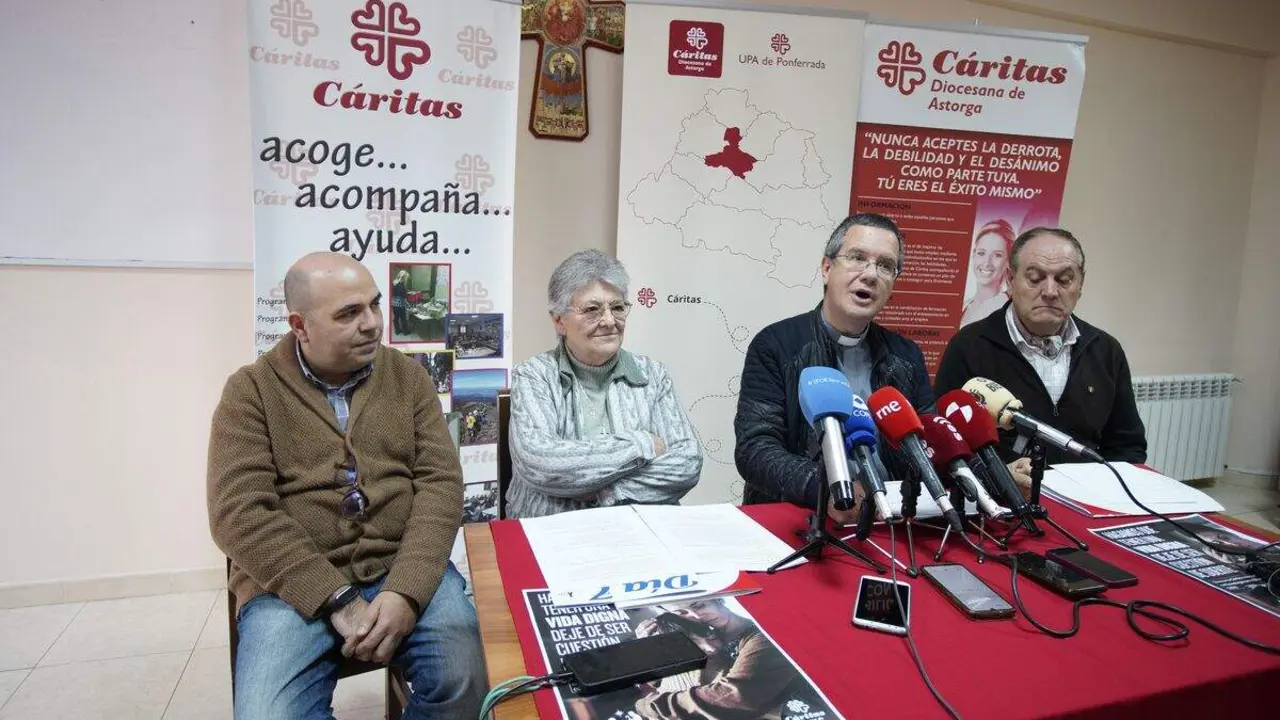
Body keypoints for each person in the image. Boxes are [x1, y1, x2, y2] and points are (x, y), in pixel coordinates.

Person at [207, 252, 485, 719]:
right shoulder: (250, 391)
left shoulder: (409, 378)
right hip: (291, 588)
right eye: (349, 313)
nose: (373, 324)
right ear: (300, 325)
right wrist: (335, 598)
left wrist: (408, 589)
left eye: (374, 305)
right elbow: (238, 513)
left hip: (402, 567)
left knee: (468, 680)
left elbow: (440, 484)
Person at [734, 213, 1032, 522]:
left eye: (885, 266)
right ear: (826, 268)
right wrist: (826, 488)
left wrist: (992, 473)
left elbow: (934, 440)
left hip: (891, 516)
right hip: (804, 515)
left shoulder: (904, 355)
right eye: (857, 258)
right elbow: (755, 449)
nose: (870, 275)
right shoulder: (776, 345)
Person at [507, 249, 702, 518]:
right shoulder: (534, 375)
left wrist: (602, 491)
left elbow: (687, 463)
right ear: (559, 320)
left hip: (639, 525)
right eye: (592, 309)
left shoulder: (653, 375)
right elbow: (539, 464)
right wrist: (640, 445)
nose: (609, 321)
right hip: (552, 530)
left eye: (618, 307)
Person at [934, 227, 1147, 467]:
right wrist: (998, 476)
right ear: (1011, 280)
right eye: (1035, 279)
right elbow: (944, 441)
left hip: (1085, 496)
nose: (1050, 292)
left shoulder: (1105, 350)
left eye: (1064, 280)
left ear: (1081, 284)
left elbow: (1128, 445)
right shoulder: (970, 346)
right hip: (1003, 497)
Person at [629, 599, 821, 719]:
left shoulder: (765, 636)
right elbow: (665, 678)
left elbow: (735, 696)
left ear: (719, 598)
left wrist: (650, 705)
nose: (696, 615)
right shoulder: (707, 636)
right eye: (682, 612)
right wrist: (649, 650)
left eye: (699, 605)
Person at [959, 218, 1014, 327]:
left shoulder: (1008, 310)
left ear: (1008, 260)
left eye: (997, 255)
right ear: (974, 254)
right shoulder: (964, 305)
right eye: (981, 253)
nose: (987, 263)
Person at [391, 268, 410, 336]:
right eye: (406, 278)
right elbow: (403, 298)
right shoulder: (402, 286)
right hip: (400, 304)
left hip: (394, 303)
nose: (406, 280)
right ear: (404, 277)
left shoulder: (394, 282)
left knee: (396, 318)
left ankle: (397, 331)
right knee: (403, 318)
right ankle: (405, 332)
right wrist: (408, 304)